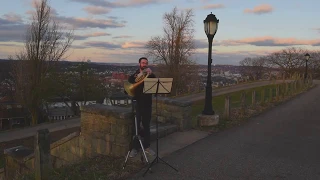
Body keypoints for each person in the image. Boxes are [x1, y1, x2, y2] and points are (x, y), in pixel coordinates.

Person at [127, 57, 156, 158]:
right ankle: (135, 148)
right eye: (143, 63)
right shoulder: (134, 75)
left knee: (146, 125)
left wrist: (151, 74)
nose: (144, 64)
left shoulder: (150, 74)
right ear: (139, 64)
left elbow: (156, 84)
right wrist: (140, 76)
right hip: (137, 104)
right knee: (136, 126)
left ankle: (147, 147)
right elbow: (129, 85)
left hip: (147, 103)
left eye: (146, 63)